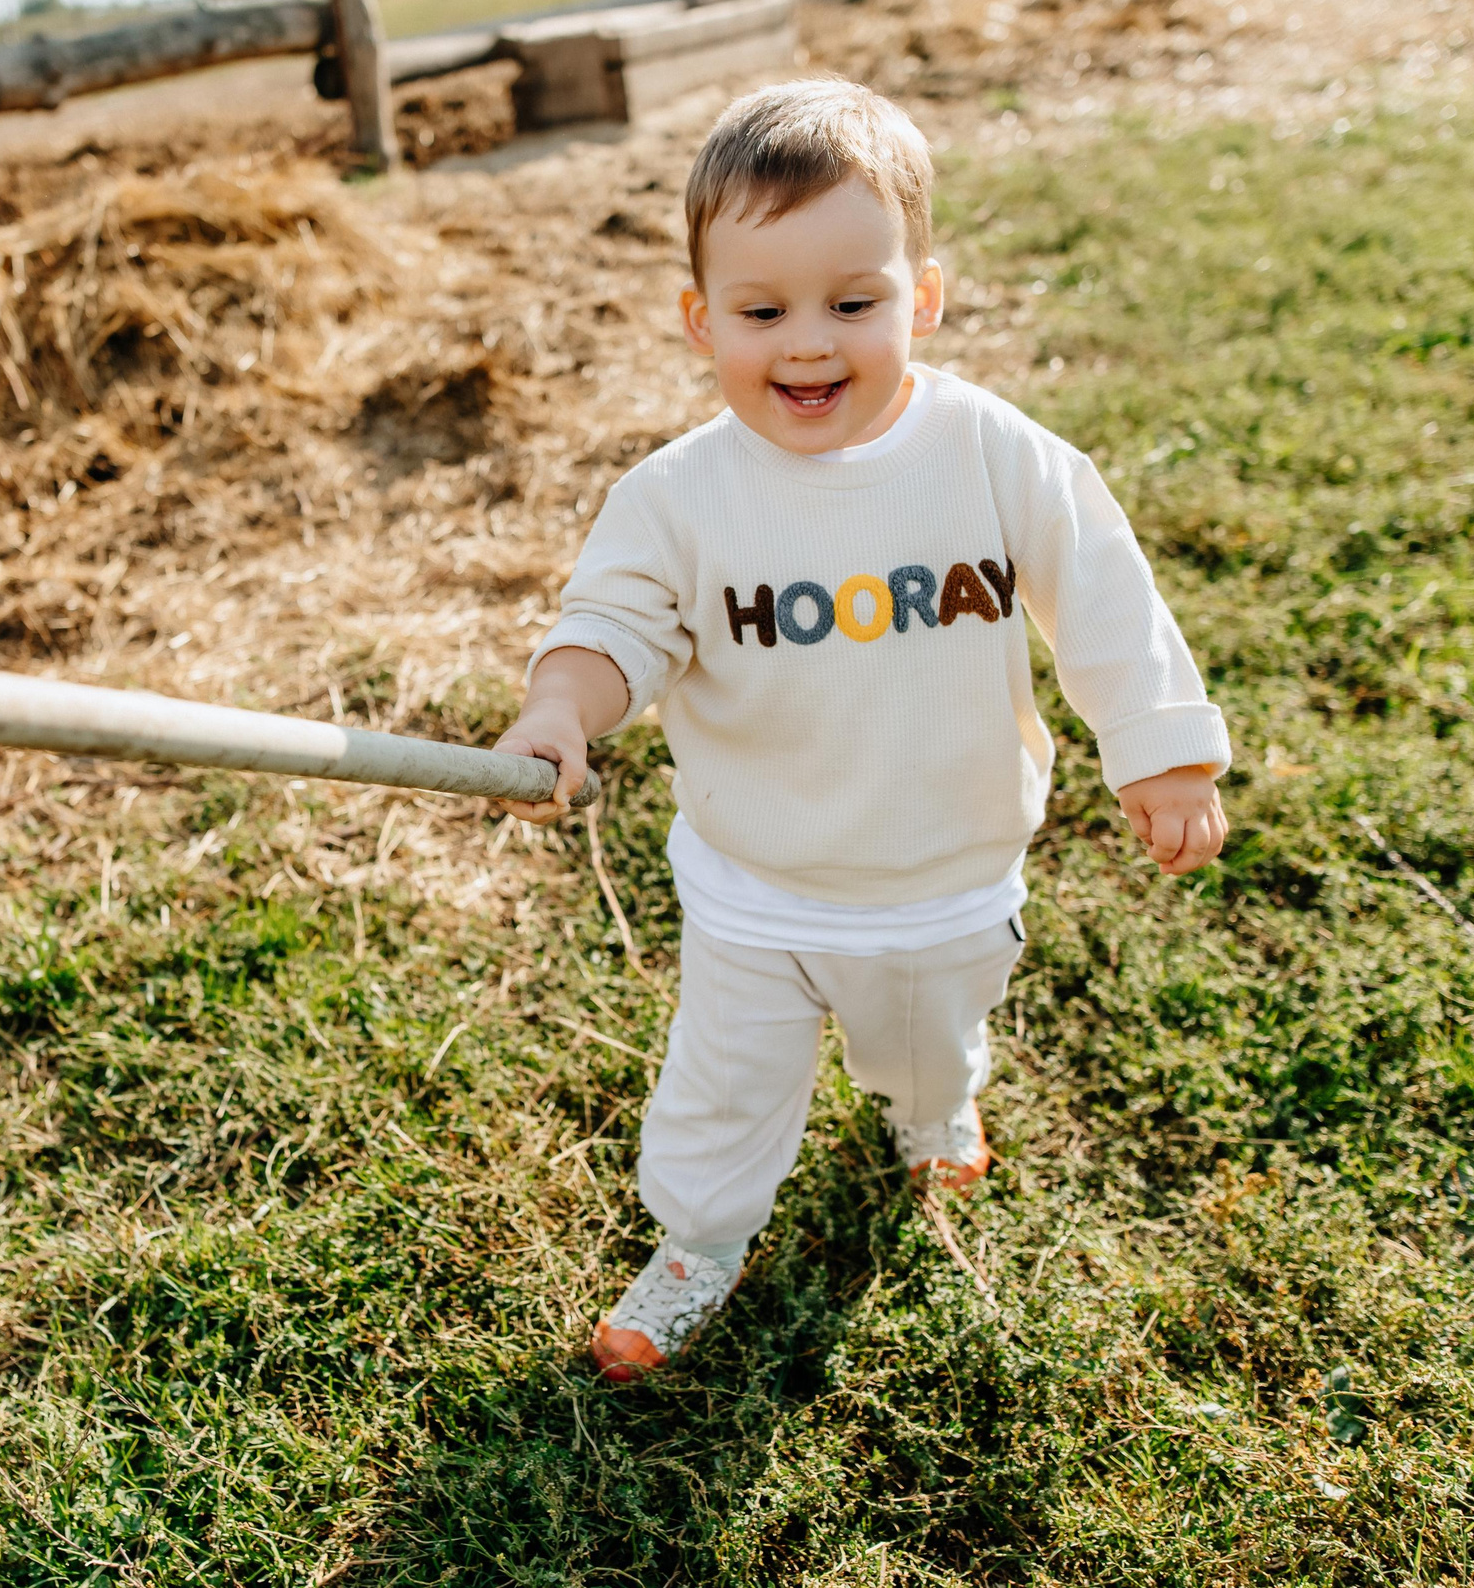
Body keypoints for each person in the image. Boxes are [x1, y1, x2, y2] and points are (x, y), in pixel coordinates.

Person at [495, 80, 1230, 1383]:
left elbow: (1101, 588)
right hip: (755, 890)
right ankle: (699, 1242)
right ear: (700, 318)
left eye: (855, 301)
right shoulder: (679, 499)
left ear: (924, 298)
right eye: (763, 310)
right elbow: (614, 624)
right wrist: (563, 704)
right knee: (719, 1095)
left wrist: (1160, 741)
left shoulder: (997, 457)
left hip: (946, 882)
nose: (810, 344)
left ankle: (934, 1112)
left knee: (923, 1048)